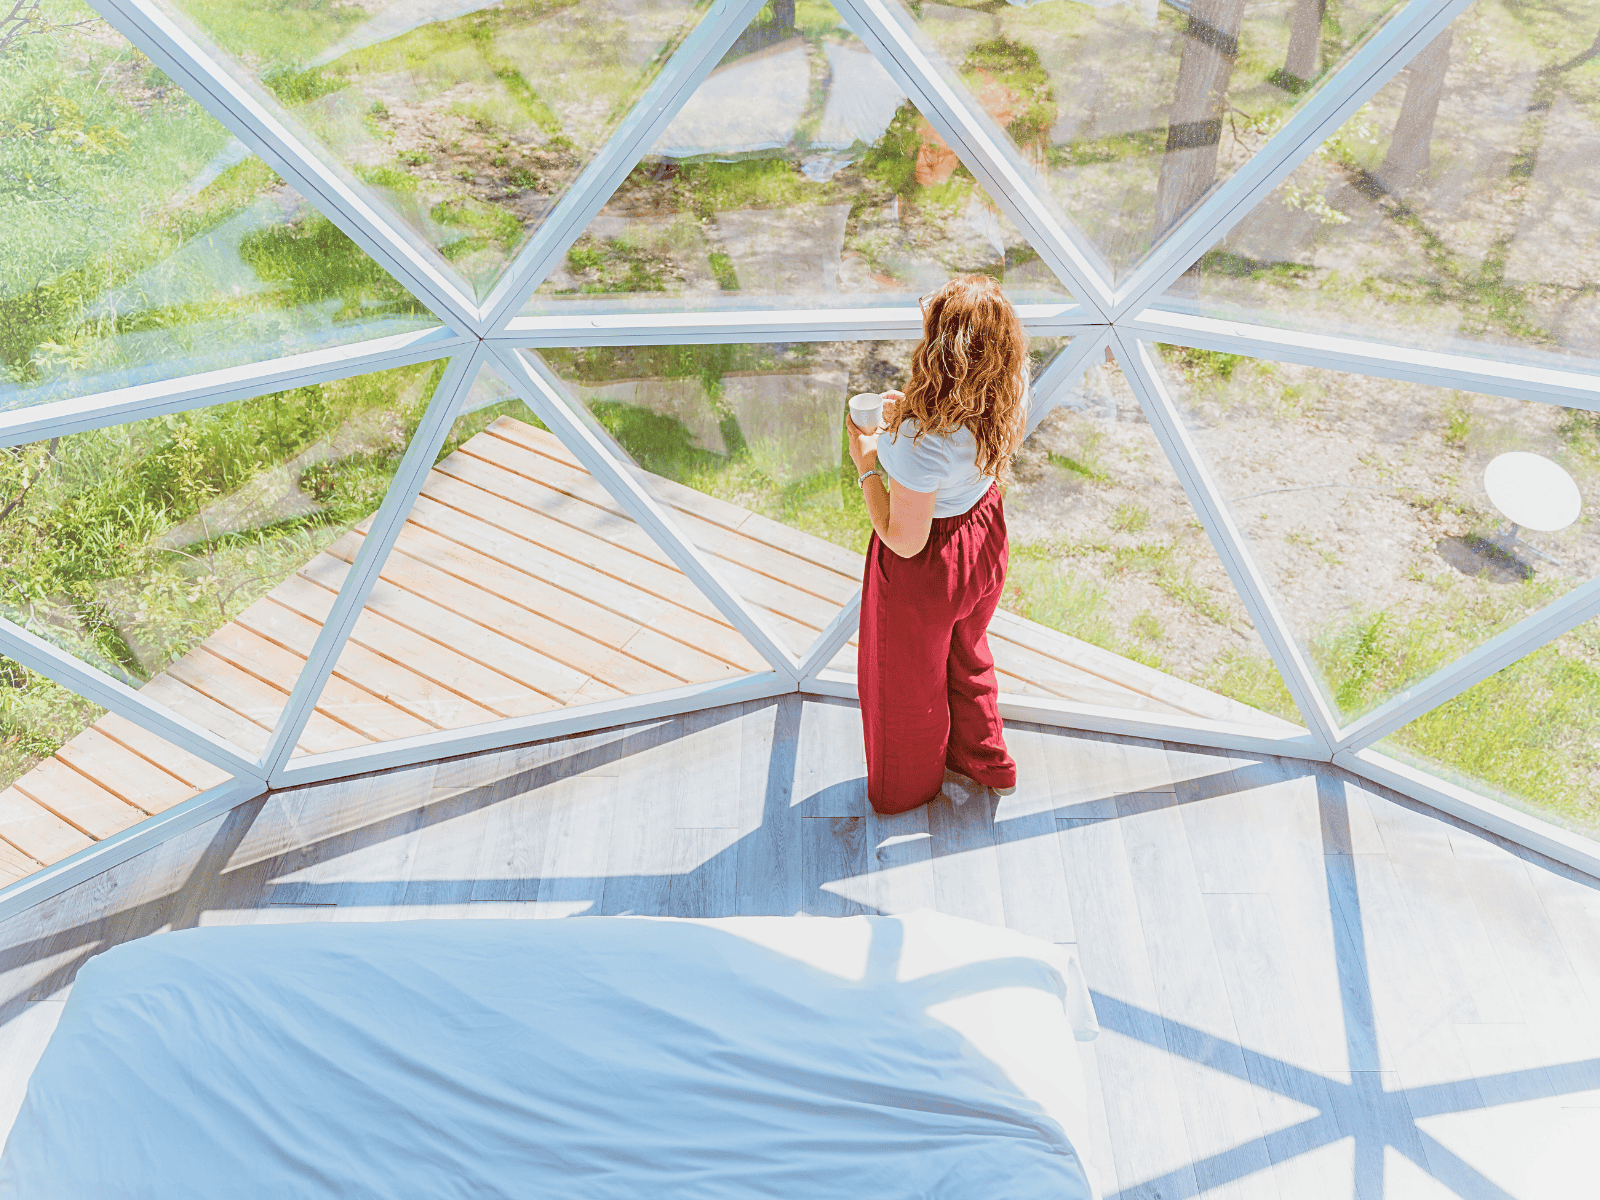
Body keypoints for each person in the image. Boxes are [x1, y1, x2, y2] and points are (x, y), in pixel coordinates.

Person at [846, 274, 1028, 815]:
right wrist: (913, 417)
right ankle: (986, 761)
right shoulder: (1009, 391)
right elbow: (960, 450)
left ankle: (905, 790)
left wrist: (868, 466)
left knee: (904, 687)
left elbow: (904, 540)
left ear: (940, 352)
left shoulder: (917, 442)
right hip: (984, 539)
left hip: (930, 570)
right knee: (967, 656)